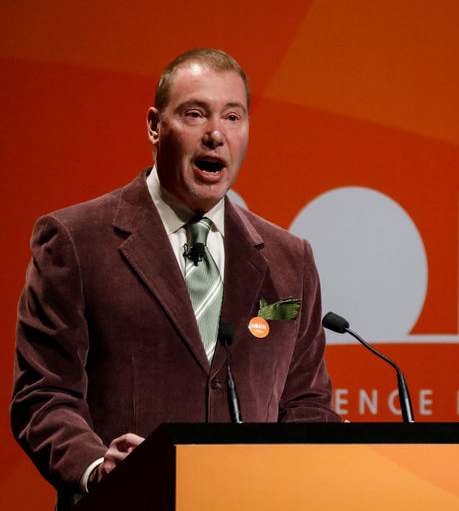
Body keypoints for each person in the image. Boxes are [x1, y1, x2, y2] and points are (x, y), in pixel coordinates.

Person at [10, 49, 340, 508]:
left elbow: (307, 401)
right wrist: (95, 467)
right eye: (194, 114)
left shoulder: (290, 259)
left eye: (232, 116)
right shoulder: (75, 241)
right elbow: (43, 394)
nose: (215, 135)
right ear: (153, 126)